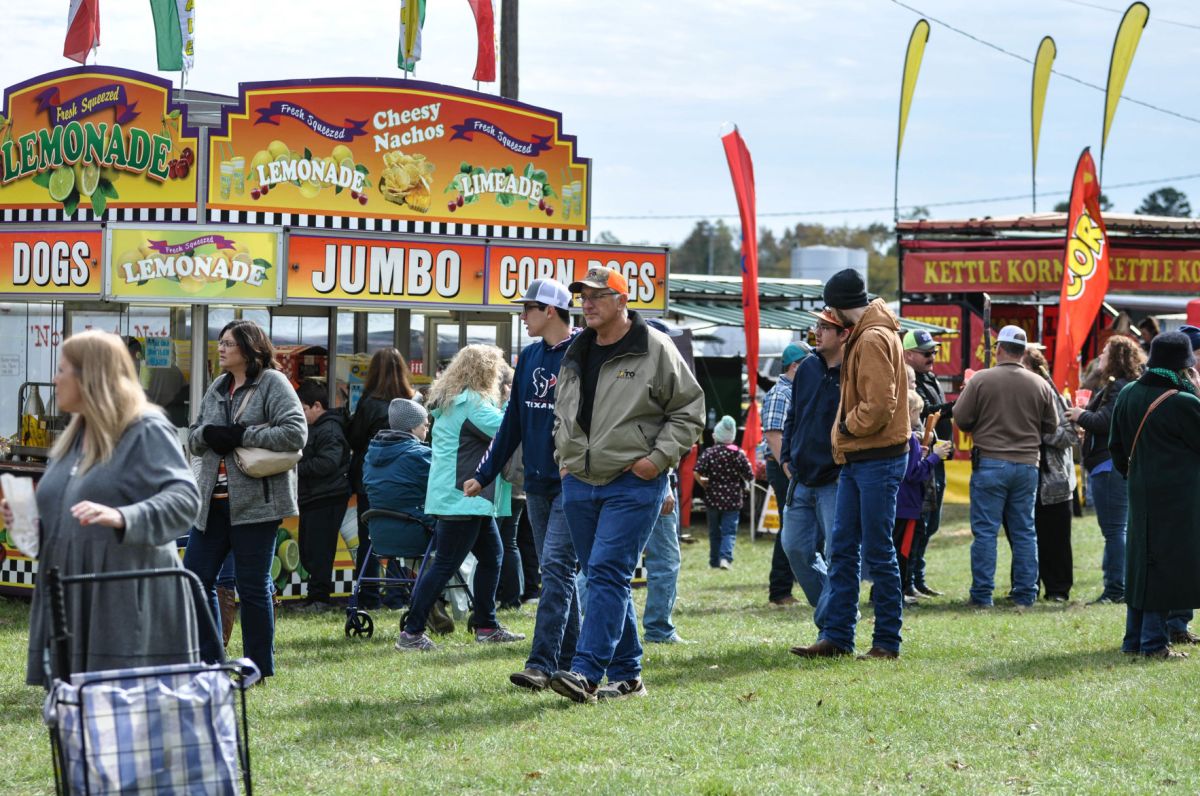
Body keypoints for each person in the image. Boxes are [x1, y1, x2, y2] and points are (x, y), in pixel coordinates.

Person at [548, 266, 704, 703]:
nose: (588, 303)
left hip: (633, 482)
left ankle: (585, 672)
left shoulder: (655, 347)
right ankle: (629, 676)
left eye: (598, 295)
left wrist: (656, 462)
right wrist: (564, 459)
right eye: (583, 296)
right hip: (579, 480)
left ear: (623, 301)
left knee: (606, 574)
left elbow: (689, 411)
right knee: (604, 579)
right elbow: (562, 412)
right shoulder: (576, 348)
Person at [20, 331, 202, 687]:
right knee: (79, 729)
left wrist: (125, 517)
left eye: (62, 370)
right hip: (76, 598)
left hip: (125, 603)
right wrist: (32, 527)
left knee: (125, 732)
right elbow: (73, 519)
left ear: (91, 376)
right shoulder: (77, 436)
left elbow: (185, 498)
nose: (55, 379)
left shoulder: (145, 429)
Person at [462, 278, 583, 689]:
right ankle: (575, 660)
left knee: (555, 569)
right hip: (536, 482)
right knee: (561, 573)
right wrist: (483, 473)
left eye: (528, 308)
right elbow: (512, 424)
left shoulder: (583, 353)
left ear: (550, 310)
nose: (522, 315)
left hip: (574, 481)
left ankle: (541, 664)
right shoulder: (530, 355)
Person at [792, 269, 910, 660]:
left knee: (877, 552)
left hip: (877, 456)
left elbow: (880, 405)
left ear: (840, 307)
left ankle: (886, 642)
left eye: (829, 307)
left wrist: (844, 425)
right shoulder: (868, 333)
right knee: (843, 549)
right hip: (862, 456)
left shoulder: (873, 338)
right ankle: (837, 636)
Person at [185, 320, 307, 680]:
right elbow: (193, 437)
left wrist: (243, 434)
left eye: (228, 344)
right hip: (212, 504)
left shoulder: (273, 383)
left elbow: (296, 432)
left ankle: (257, 668)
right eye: (220, 343)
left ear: (250, 349)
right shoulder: (218, 386)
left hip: (257, 505)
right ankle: (212, 661)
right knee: (194, 579)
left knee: (252, 587)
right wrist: (209, 433)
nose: (221, 349)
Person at [396, 344, 524, 651]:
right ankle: (411, 633)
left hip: (461, 497)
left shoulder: (454, 401)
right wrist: (511, 401)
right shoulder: (473, 404)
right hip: (462, 497)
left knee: (492, 556)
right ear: (487, 373)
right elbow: (507, 429)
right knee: (445, 565)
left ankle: (486, 625)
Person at [952, 325, 1058, 609]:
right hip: (1027, 465)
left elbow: (960, 419)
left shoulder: (982, 380)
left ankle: (982, 595)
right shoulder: (1040, 383)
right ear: (1024, 352)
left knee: (986, 532)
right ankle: (1026, 594)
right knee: (1024, 531)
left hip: (990, 462)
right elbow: (1052, 426)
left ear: (998, 349)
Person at [1108, 332, 1200, 658]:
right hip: (1178, 498)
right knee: (1165, 567)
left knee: (1140, 566)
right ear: (1182, 367)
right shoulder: (1183, 401)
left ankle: (1133, 639)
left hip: (1140, 491)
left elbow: (1116, 447)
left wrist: (1136, 477)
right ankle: (1153, 643)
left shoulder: (1129, 392)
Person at [780, 308, 849, 635]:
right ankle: (837, 614)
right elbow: (793, 415)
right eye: (818, 325)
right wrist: (784, 457)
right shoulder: (807, 367)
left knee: (839, 555)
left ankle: (833, 625)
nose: (817, 331)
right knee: (794, 547)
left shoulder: (854, 371)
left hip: (836, 479)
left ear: (843, 334)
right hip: (800, 477)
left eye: (825, 327)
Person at [1064, 334, 1145, 604]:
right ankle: (1117, 586)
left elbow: (1105, 422)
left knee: (1114, 531)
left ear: (1118, 357)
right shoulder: (1125, 385)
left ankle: (1115, 589)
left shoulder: (1119, 387)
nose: (1100, 356)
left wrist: (1079, 415)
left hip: (1109, 467)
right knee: (1117, 530)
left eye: (1106, 352)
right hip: (1111, 465)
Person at [361, 397, 453, 634]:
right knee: (461, 535)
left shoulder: (371, 454)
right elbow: (445, 484)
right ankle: (439, 602)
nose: (427, 429)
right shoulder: (420, 455)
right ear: (412, 427)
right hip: (415, 532)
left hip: (379, 534)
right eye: (425, 425)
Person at [347, 347, 415, 609]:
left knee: (370, 537)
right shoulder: (412, 402)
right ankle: (398, 593)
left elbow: (354, 438)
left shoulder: (369, 403)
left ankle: (369, 595)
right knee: (402, 536)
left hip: (371, 477)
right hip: (403, 477)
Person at [1022, 347, 1077, 602]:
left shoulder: (1051, 394)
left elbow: (1069, 435)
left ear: (1036, 369)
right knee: (1023, 536)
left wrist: (1035, 431)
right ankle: (1025, 585)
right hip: (1024, 476)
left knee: (1055, 538)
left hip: (1053, 480)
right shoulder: (1013, 392)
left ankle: (1057, 589)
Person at [903, 329, 953, 597]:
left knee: (930, 523)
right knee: (918, 522)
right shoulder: (905, 382)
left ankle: (917, 577)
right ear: (908, 355)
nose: (932, 357)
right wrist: (957, 406)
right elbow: (931, 411)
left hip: (936, 458)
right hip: (921, 459)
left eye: (934, 351)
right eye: (926, 353)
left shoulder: (930, 378)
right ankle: (908, 579)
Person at [294, 379, 351, 611]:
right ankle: (315, 596)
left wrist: (297, 468)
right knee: (310, 549)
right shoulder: (321, 427)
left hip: (327, 496)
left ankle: (320, 599)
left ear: (317, 406)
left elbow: (328, 462)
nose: (302, 414)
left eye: (304, 409)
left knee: (319, 551)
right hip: (316, 496)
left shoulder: (329, 428)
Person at [761, 342, 808, 607]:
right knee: (788, 527)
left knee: (794, 526)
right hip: (782, 467)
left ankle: (787, 586)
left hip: (788, 467)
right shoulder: (781, 393)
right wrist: (787, 469)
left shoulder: (795, 390)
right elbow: (773, 435)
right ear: (794, 366)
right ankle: (779, 591)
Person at [894, 392, 953, 600]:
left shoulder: (899, 435)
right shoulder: (909, 437)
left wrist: (922, 455)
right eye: (918, 413)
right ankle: (897, 592)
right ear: (910, 412)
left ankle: (894, 590)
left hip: (900, 504)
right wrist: (934, 458)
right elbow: (913, 473)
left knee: (898, 549)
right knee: (902, 551)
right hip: (907, 505)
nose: (919, 418)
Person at [1165, 324, 1200, 645]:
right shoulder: (1183, 392)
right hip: (1182, 487)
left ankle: (1176, 620)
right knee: (1181, 554)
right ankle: (1175, 622)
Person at [695, 415, 754, 570]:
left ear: (717, 436)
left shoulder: (709, 452)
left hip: (712, 498)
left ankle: (714, 562)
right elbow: (750, 475)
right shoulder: (738, 453)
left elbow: (696, 471)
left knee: (714, 532)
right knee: (729, 532)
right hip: (733, 499)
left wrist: (703, 482)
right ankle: (725, 559)